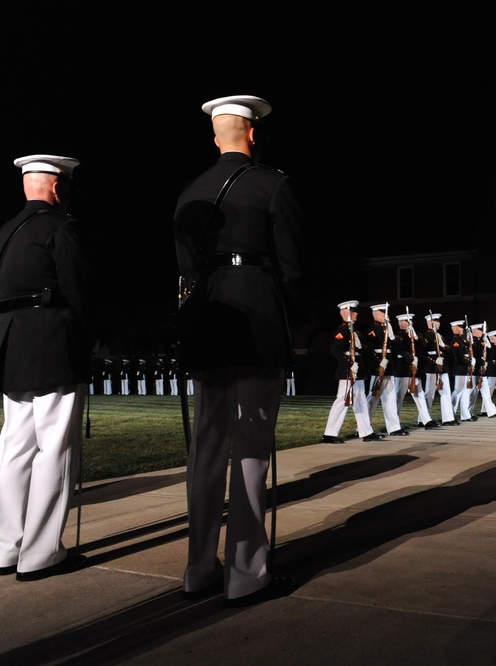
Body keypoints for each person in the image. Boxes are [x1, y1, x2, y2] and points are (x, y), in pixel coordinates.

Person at [173, 94, 304, 604]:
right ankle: (246, 572)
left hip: (207, 321)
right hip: (256, 320)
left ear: (214, 136)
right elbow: (291, 269)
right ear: (253, 133)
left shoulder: (188, 193)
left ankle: (198, 568)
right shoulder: (274, 184)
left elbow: (185, 272)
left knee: (206, 447)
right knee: (250, 446)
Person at [0, 153, 94, 580]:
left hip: (13, 344)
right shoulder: (61, 227)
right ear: (56, 187)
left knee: (14, 446)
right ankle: (41, 552)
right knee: (55, 448)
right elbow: (79, 290)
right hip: (53, 341)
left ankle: (8, 547)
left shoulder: (1, 235)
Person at [322, 300, 381, 442]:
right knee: (342, 400)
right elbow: (335, 349)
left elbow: (362, 349)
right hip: (347, 370)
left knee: (360, 401)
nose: (356, 314)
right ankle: (330, 433)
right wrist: (349, 364)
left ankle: (366, 432)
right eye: (353, 311)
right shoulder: (342, 329)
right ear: (347, 313)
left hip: (357, 370)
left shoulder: (354, 331)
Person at [365, 303, 407, 436]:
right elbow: (368, 349)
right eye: (383, 313)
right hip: (378, 368)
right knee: (373, 398)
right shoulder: (373, 329)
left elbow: (395, 347)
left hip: (388, 368)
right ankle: (363, 428)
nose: (386, 316)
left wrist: (392, 335)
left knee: (390, 398)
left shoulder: (386, 329)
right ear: (376, 314)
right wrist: (379, 363)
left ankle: (394, 427)